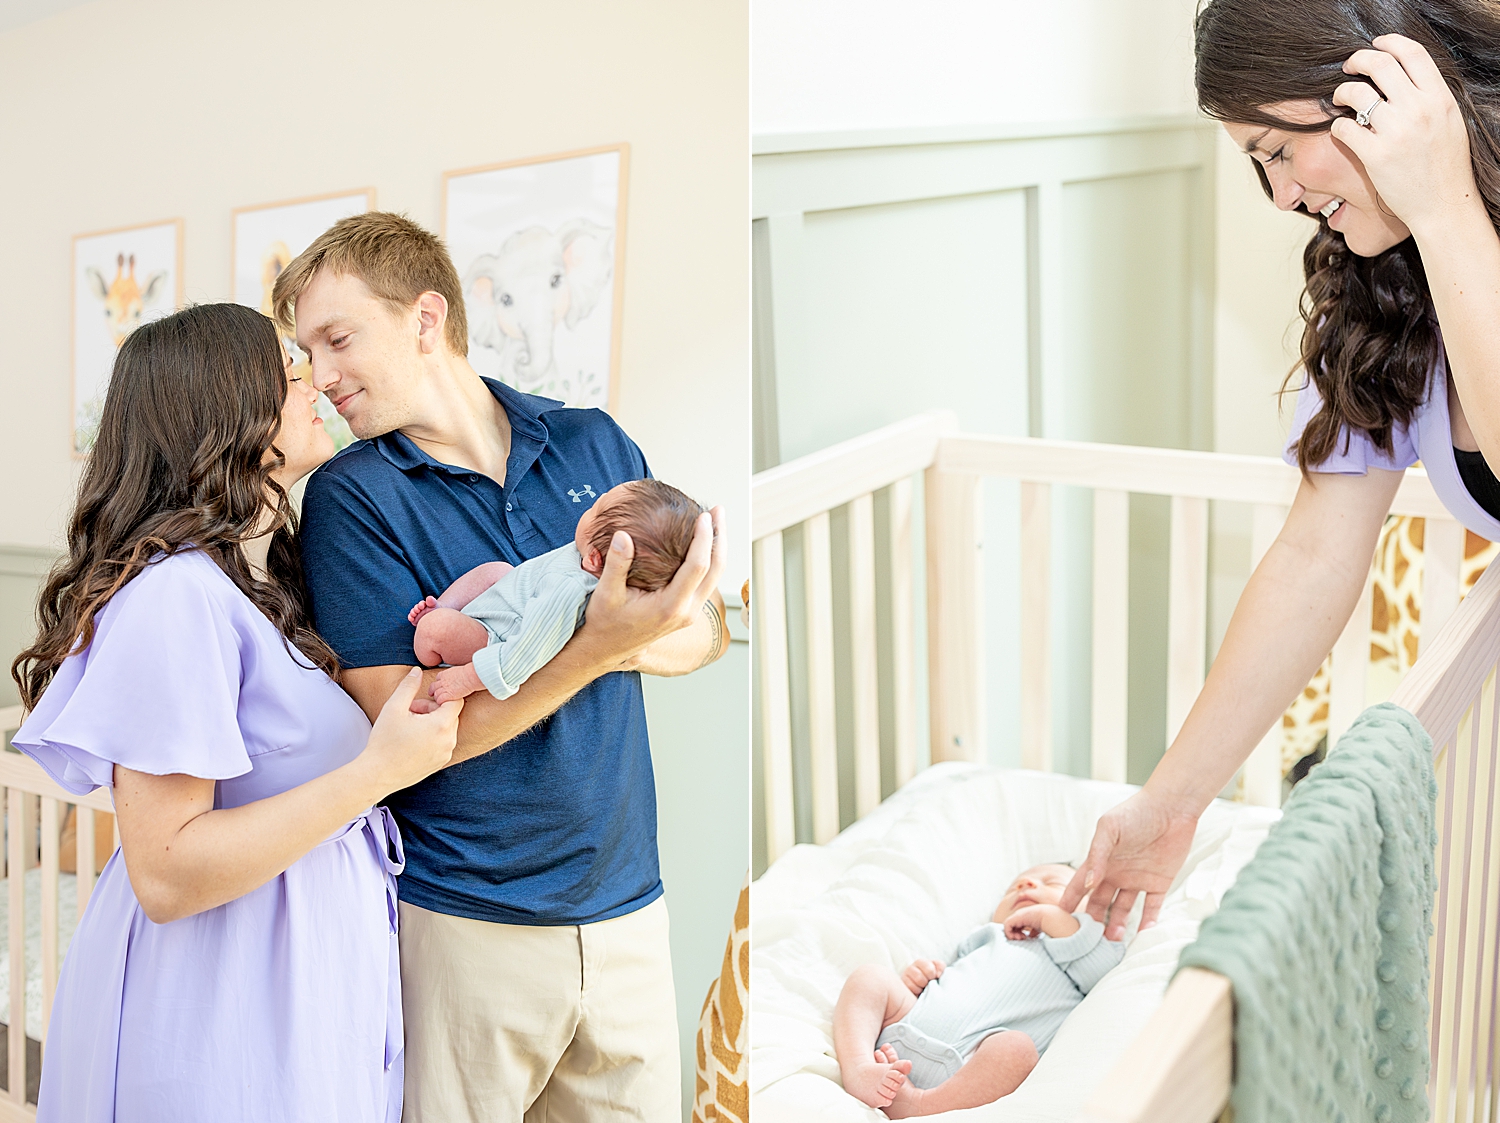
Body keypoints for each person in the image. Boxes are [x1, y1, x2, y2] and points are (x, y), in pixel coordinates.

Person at [271, 212, 728, 1121]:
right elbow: (416, 730)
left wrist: (620, 634)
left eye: (336, 338)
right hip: (466, 924)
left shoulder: (595, 443)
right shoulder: (351, 499)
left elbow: (702, 629)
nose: (319, 377)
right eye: (306, 350)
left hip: (631, 909)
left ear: (426, 320)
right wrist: (600, 642)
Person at [1061, 0, 1500, 938]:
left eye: (1274, 149)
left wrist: (1447, 201)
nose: (1281, 197)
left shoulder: (1443, 232)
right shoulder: (1388, 285)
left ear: (1383, 89)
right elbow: (1314, 556)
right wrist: (1169, 804)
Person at [9, 303, 462, 1122]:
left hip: (282, 983)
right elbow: (168, 870)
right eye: (292, 375)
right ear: (232, 413)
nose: (317, 384)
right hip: (220, 999)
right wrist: (379, 772)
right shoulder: (175, 596)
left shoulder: (239, 588)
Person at [833, 863, 1122, 1117]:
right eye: (1016, 886)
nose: (1028, 884)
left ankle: (921, 1105)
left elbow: (1101, 968)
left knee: (1017, 1049)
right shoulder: (986, 935)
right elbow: (955, 978)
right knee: (870, 978)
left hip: (969, 1069)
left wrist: (1050, 918)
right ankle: (859, 1068)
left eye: (1053, 884)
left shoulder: (1083, 955)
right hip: (906, 1026)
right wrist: (921, 978)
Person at [409, 478, 706, 704]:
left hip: (496, 638)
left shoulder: (569, 589)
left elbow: (523, 653)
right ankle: (444, 605)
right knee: (497, 570)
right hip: (511, 601)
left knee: (433, 628)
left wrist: (468, 678)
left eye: (596, 509)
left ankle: (438, 626)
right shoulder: (590, 557)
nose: (593, 503)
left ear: (596, 560)